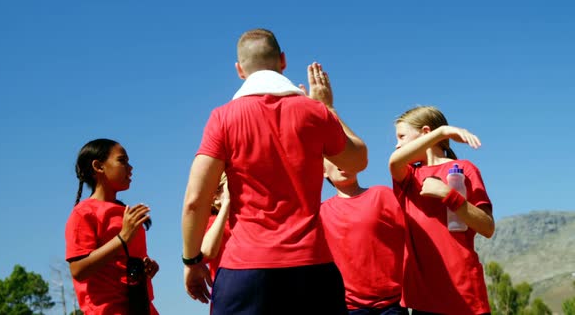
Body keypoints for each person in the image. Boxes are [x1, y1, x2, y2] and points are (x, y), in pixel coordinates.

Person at [181, 28, 368, 315]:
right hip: (311, 267)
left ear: (239, 70)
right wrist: (327, 108)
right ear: (283, 61)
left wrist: (192, 262)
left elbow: (196, 199)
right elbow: (357, 161)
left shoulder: (223, 118)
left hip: (245, 270)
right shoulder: (313, 112)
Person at [388, 106, 495, 315]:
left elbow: (488, 227)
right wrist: (443, 132)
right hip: (424, 301)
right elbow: (394, 161)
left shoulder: (466, 169)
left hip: (466, 295)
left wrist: (448, 194)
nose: (397, 144)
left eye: (401, 136)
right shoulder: (408, 176)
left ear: (425, 133)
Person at [65, 138, 159, 315]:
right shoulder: (83, 213)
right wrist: (122, 239)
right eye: (122, 161)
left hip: (141, 307)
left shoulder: (124, 212)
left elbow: (123, 261)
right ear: (98, 167)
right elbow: (78, 269)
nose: (130, 168)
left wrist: (147, 267)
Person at [320, 159, 407, 315]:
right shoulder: (320, 213)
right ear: (324, 171)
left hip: (392, 303)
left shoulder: (382, 194)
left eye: (346, 156)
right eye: (333, 158)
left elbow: (414, 237)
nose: (342, 159)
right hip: (349, 307)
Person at [201, 172, 232, 284]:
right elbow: (206, 252)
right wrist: (226, 204)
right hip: (227, 290)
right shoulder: (212, 222)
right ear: (215, 197)